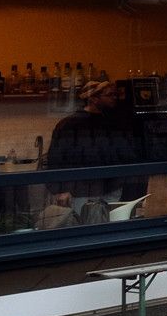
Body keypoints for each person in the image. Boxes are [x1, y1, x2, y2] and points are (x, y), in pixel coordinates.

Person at [40, 80, 142, 227]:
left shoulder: (114, 123)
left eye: (116, 94)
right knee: (83, 228)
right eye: (110, 95)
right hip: (81, 190)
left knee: (108, 228)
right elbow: (56, 158)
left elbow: (124, 153)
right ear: (93, 98)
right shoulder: (69, 124)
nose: (115, 98)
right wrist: (60, 189)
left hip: (111, 187)